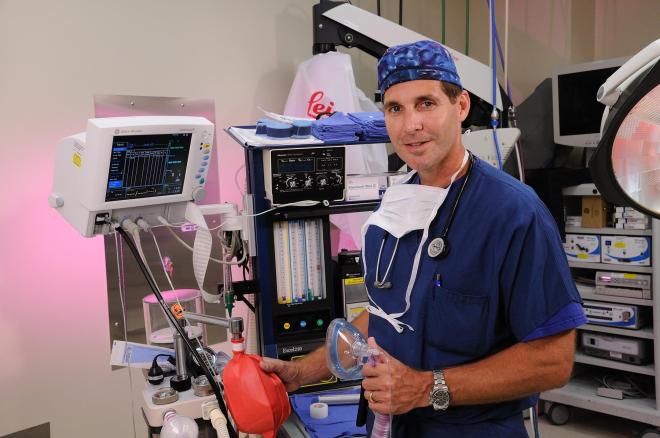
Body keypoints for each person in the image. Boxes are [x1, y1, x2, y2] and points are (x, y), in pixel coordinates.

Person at [261, 39, 587, 437]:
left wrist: (425, 388)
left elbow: (553, 361)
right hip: (391, 424)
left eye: (426, 103)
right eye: (395, 108)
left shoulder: (514, 214)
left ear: (461, 106)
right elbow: (386, 316)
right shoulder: (393, 208)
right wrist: (301, 373)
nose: (410, 125)